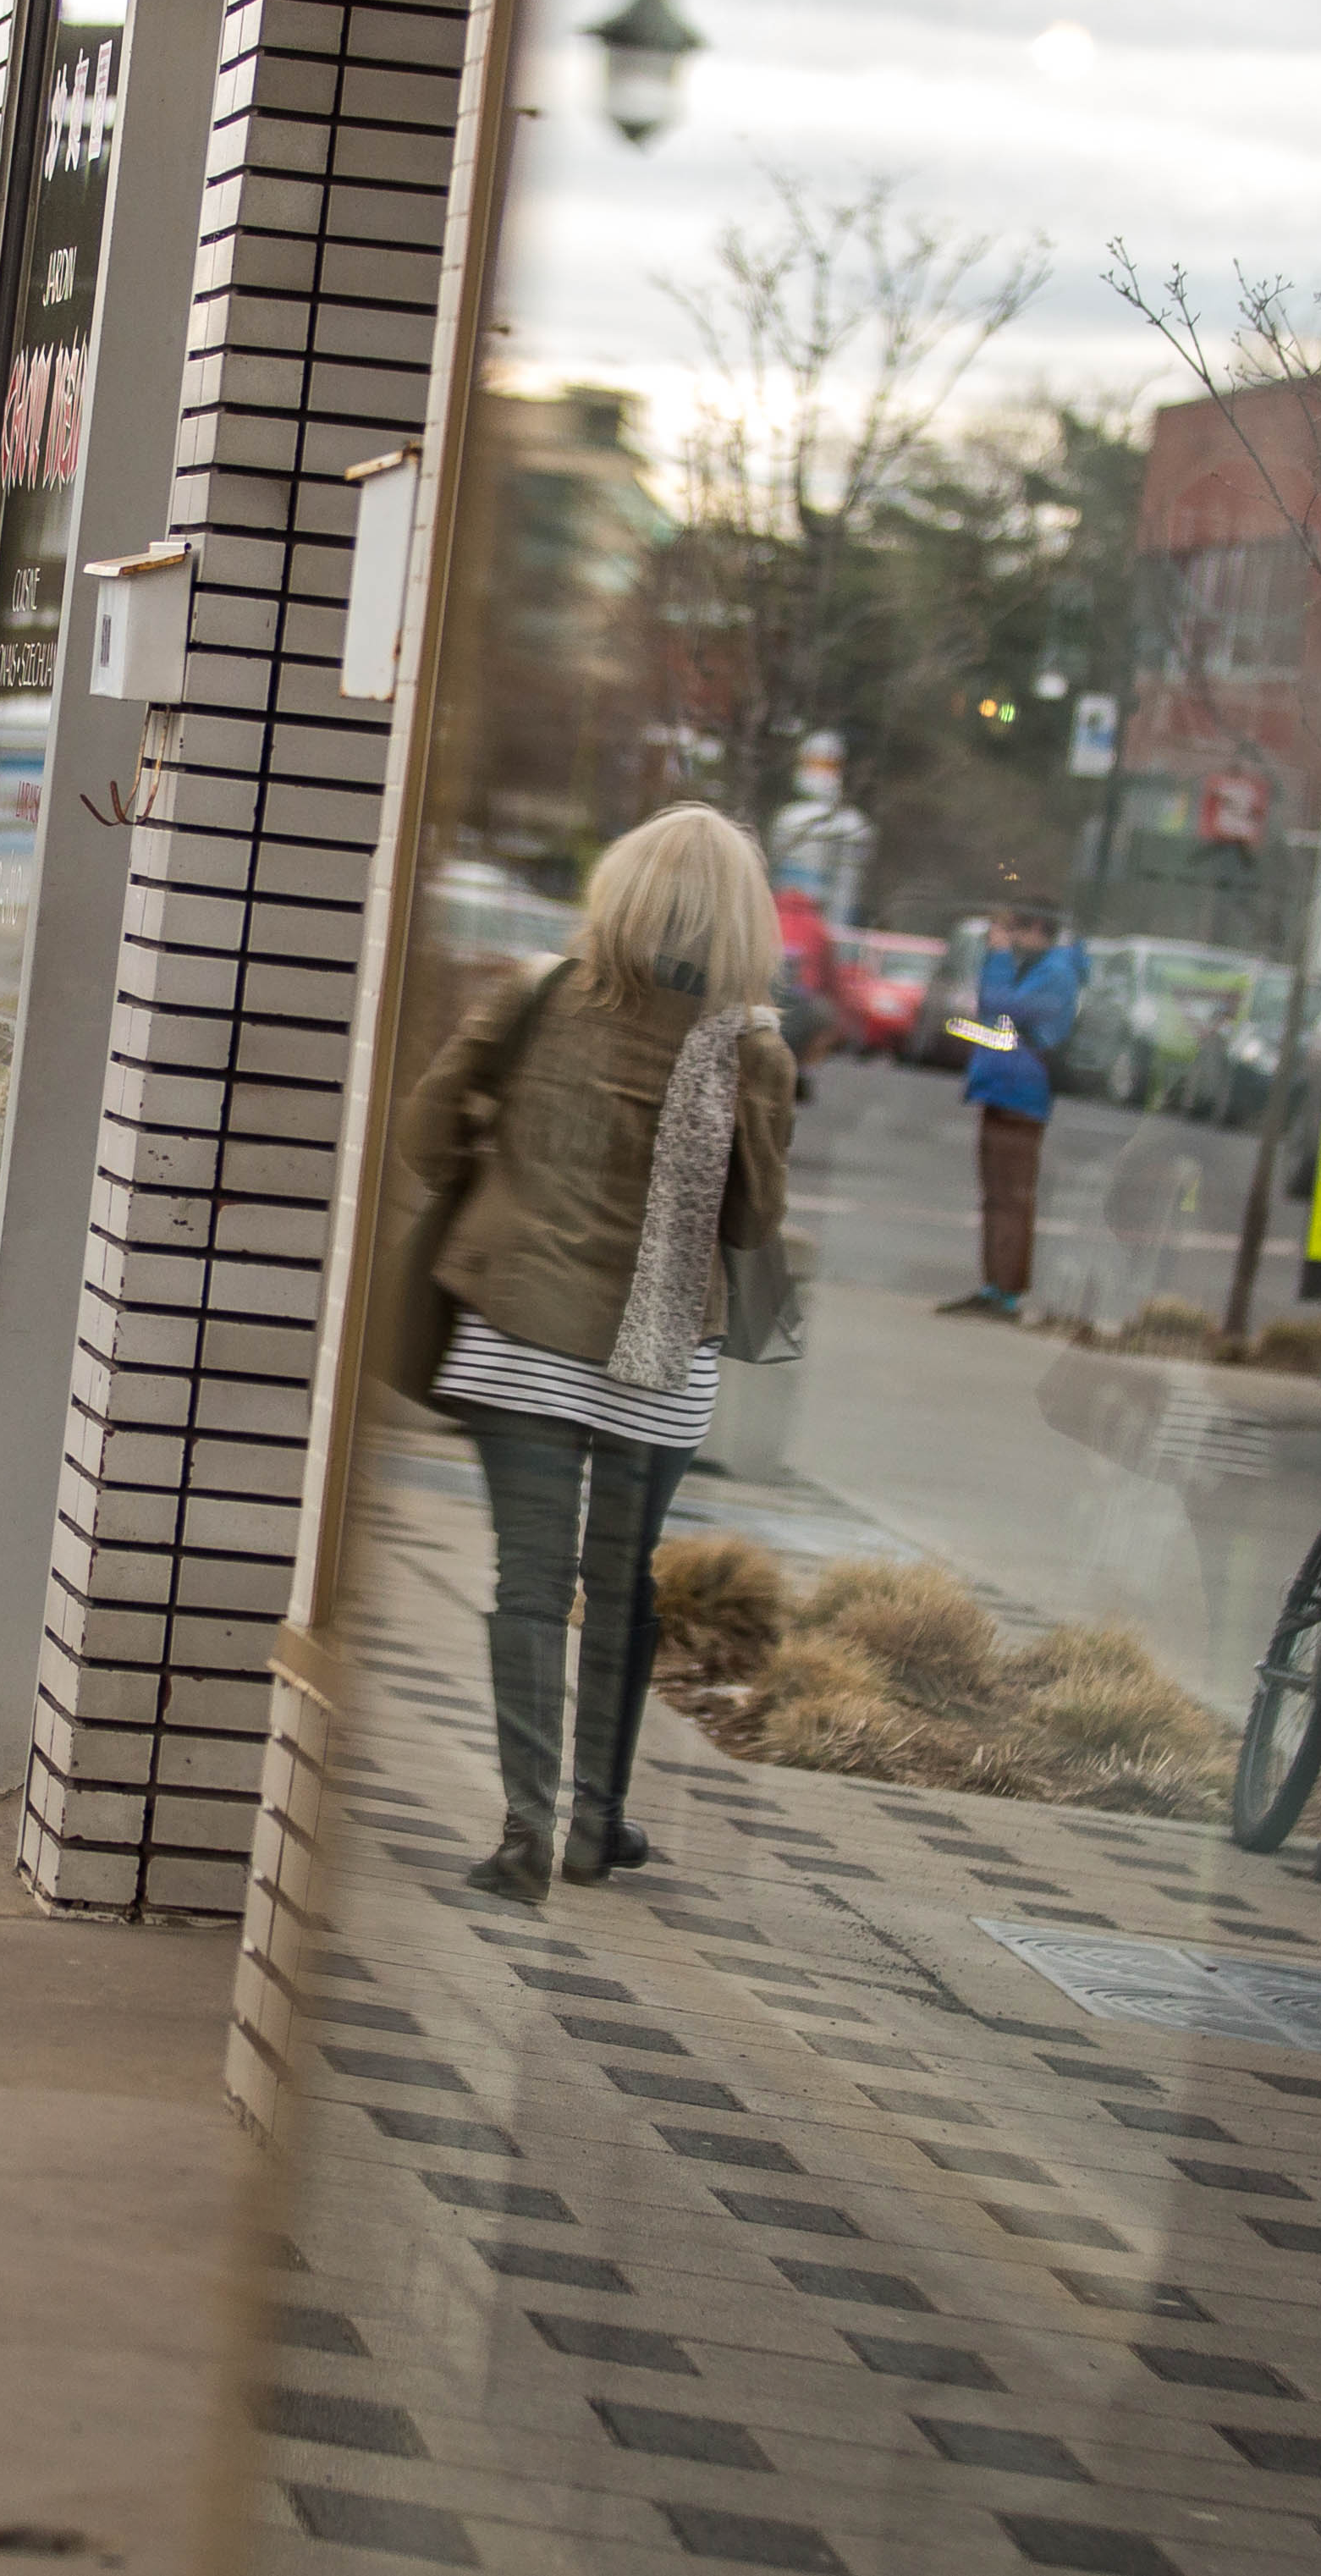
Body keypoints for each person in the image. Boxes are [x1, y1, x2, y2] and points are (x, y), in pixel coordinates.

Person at [399, 804, 800, 1903]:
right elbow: (755, 1218)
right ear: (740, 922)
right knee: (620, 1588)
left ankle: (524, 1829)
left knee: (527, 1586)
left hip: (519, 1334)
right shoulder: (750, 1044)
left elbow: (424, 1135)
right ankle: (594, 1821)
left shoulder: (534, 994)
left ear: (616, 892)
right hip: (659, 1356)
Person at [938, 900, 1084, 1322]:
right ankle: (993, 1284)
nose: (1007, 938)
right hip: (1000, 1091)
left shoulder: (1056, 973)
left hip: (1021, 1097)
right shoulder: (1033, 968)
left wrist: (999, 958)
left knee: (1012, 1196)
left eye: (1015, 928)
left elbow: (1001, 1006)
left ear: (1039, 928)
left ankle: (1007, 1293)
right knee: (996, 1196)